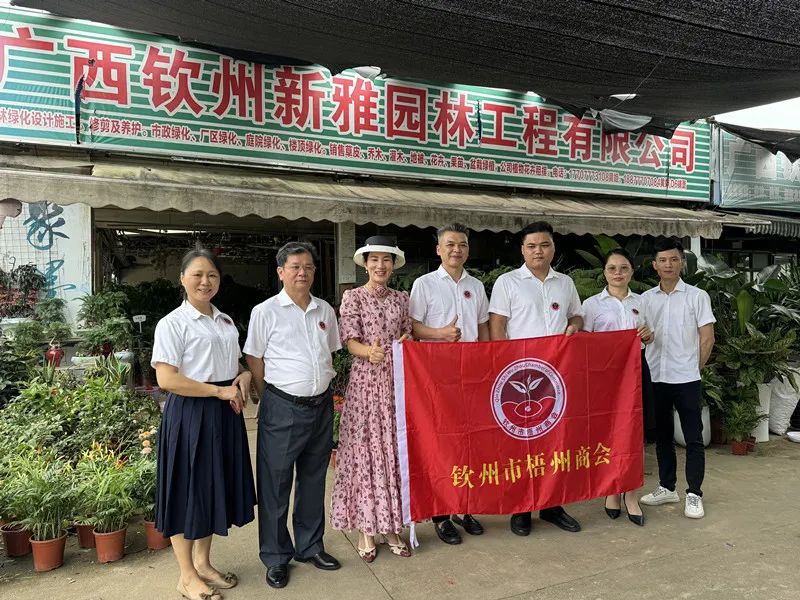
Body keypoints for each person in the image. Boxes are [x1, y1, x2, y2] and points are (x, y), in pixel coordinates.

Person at [152, 247, 256, 600]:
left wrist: (243, 376)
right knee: (186, 491)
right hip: (190, 414)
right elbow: (167, 379)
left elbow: (234, 364)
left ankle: (203, 563)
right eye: (197, 274)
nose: (205, 281)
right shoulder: (172, 323)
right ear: (182, 279)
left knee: (211, 487)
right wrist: (218, 391)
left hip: (223, 413)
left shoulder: (224, 321)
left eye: (211, 275)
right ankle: (186, 575)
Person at [244, 241, 342, 589]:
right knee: (275, 484)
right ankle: (275, 556)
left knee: (313, 480)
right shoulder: (265, 311)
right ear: (281, 272)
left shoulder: (324, 310)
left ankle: (310, 546)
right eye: (295, 267)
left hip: (321, 405)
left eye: (309, 267)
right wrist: (268, 396)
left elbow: (329, 353)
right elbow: (254, 358)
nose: (303, 273)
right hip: (283, 406)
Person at [488, 221, 583, 536]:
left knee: (556, 441)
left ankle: (552, 505)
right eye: (531, 246)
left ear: (553, 248)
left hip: (556, 377)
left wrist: (575, 325)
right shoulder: (508, 282)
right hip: (520, 376)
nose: (538, 251)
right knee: (522, 443)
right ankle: (522, 507)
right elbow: (497, 325)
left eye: (544, 245)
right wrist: (503, 366)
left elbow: (576, 314)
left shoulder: (565, 283)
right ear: (522, 250)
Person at [330, 235, 413, 562]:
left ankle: (391, 527)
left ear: (393, 265)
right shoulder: (353, 297)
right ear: (365, 264)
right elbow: (349, 340)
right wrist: (369, 352)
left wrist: (405, 341)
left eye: (386, 260)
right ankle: (366, 529)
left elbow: (406, 332)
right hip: (366, 384)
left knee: (391, 451)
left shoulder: (401, 298)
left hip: (395, 384)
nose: (380, 265)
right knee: (366, 452)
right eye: (374, 259)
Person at [409, 223, 488, 545]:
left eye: (463, 244)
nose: (457, 250)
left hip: (471, 374)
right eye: (450, 244)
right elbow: (413, 327)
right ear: (438, 249)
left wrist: (488, 365)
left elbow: (483, 328)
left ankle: (465, 508)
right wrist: (440, 333)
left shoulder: (476, 286)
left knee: (470, 443)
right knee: (440, 444)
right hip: (436, 375)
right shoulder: (424, 284)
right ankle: (441, 514)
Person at [639, 238, 715, 519]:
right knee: (662, 437)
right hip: (656, 376)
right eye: (662, 260)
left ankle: (694, 493)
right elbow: (640, 335)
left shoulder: (697, 296)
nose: (668, 265)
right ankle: (667, 487)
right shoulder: (645, 299)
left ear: (682, 263)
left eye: (673, 259)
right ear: (654, 265)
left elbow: (707, 338)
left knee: (693, 437)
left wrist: (694, 369)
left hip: (686, 378)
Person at [582, 248, 655, 527]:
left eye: (624, 268)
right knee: (610, 432)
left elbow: (649, 335)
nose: (618, 273)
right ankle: (612, 490)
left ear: (632, 272)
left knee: (635, 433)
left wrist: (647, 335)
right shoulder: (591, 305)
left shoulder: (642, 302)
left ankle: (631, 494)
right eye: (612, 268)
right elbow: (584, 342)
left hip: (636, 371)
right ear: (604, 272)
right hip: (605, 376)